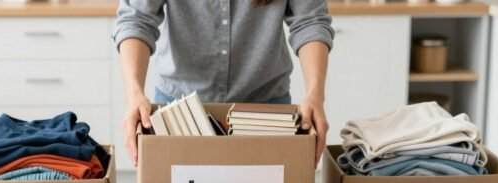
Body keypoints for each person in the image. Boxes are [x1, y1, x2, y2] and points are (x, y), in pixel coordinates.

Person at [113, 0, 334, 167]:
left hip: (266, 112)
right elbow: (137, 19)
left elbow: (310, 21)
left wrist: (315, 94)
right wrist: (134, 93)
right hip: (178, 111)